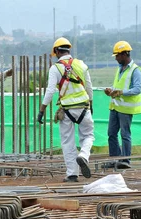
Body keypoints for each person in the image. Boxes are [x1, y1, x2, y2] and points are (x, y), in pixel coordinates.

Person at [37, 37, 94, 182]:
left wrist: (42, 110)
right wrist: (90, 105)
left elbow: (50, 91)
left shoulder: (55, 68)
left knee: (68, 142)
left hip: (67, 110)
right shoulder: (81, 64)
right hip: (83, 107)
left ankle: (72, 174)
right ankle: (83, 156)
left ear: (56, 51)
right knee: (88, 136)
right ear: (69, 49)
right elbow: (89, 87)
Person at [104, 40, 141, 169]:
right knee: (111, 133)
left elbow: (137, 89)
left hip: (126, 108)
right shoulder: (120, 69)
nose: (116, 58)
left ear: (125, 54)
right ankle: (115, 159)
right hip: (115, 106)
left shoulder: (135, 70)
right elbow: (117, 85)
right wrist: (111, 89)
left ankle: (125, 161)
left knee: (125, 134)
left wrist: (121, 92)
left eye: (117, 55)